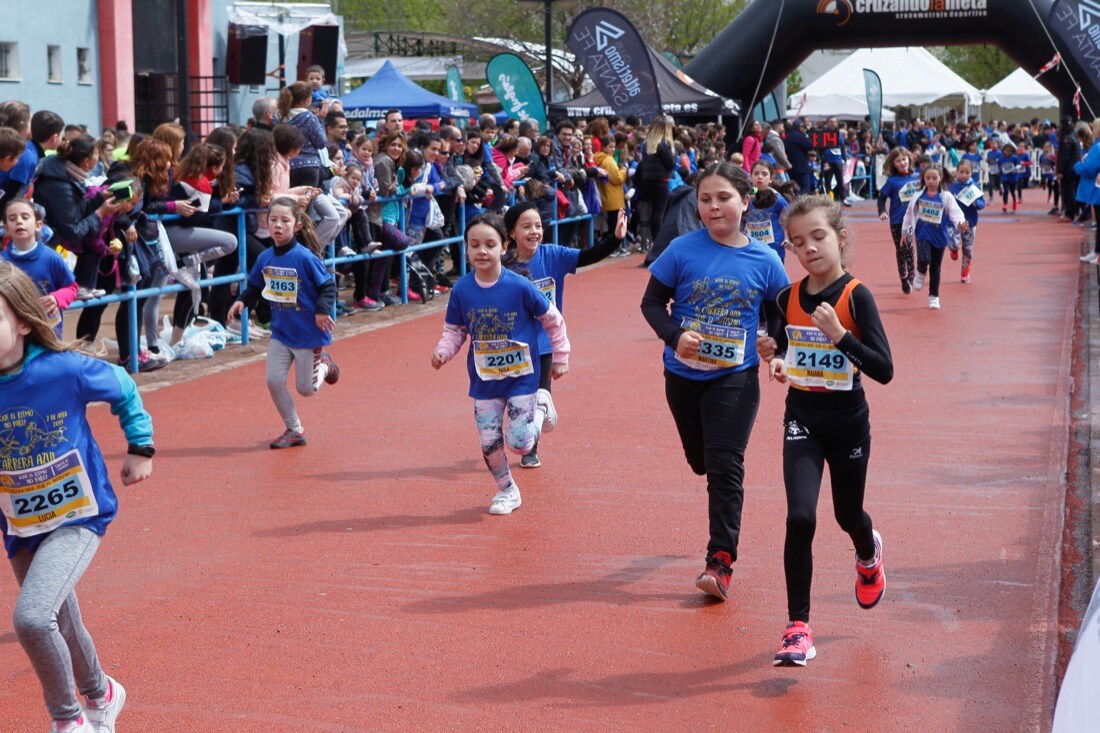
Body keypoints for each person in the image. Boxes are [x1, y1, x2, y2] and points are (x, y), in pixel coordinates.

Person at [0, 260, 154, 733]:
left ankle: (69, 722)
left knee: (30, 618)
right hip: (22, 525)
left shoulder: (62, 370)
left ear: (24, 321)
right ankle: (101, 694)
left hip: (77, 514)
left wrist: (140, 446)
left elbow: (124, 387)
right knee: (60, 621)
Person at [640, 162, 789, 601]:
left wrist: (773, 343)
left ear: (745, 202)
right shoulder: (682, 249)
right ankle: (707, 465)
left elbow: (781, 312)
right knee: (701, 461)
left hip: (736, 379)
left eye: (723, 198)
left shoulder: (765, 259)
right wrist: (675, 335)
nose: (713, 207)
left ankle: (720, 560)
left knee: (726, 467)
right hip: (683, 375)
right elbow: (651, 303)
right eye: (705, 199)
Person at [755, 195, 892, 667]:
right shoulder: (786, 297)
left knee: (847, 514)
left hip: (849, 423)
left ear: (839, 238)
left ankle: (867, 553)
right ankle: (797, 626)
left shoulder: (857, 296)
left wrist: (840, 335)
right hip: (803, 419)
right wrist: (773, 357)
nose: (808, 248)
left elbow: (884, 369)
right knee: (800, 517)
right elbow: (784, 347)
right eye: (797, 242)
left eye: (817, 237)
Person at [431, 213, 570, 515]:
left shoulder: (519, 286)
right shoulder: (462, 290)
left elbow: (552, 319)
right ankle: (508, 491)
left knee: (520, 443)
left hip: (522, 376)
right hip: (486, 380)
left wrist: (560, 356)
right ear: (466, 249)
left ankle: (542, 407)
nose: (481, 251)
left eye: (489, 244)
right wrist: (444, 351)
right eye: (474, 245)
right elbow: (455, 330)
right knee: (489, 442)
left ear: (503, 247)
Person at [501, 202, 627, 468]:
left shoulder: (553, 255)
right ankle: (535, 421)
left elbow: (588, 255)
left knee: (538, 397)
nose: (534, 232)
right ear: (512, 232)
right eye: (526, 227)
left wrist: (615, 239)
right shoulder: (505, 264)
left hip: (546, 343)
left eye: (538, 226)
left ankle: (530, 448)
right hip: (515, 345)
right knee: (519, 399)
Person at [227, 197, 340, 449]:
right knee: (273, 380)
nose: (278, 225)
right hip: (280, 333)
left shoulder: (305, 258)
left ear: (297, 225)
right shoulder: (265, 257)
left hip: (308, 334)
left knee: (307, 390)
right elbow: (255, 285)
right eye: (273, 220)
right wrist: (242, 302)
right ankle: (294, 429)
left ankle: (325, 366)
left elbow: (328, 286)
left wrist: (322, 311)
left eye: (284, 220)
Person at [0, 198, 77, 336]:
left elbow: (71, 288)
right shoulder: (2, 261)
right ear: (6, 228)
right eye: (12, 219)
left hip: (48, 332)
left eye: (25, 217)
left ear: (38, 225)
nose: (19, 221)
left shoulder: (52, 258)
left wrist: (56, 298)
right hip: (14, 334)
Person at [903, 164, 968, 310]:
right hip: (922, 233)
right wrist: (905, 231)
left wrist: (961, 224)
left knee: (936, 268)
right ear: (923, 179)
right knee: (924, 258)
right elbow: (909, 213)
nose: (931, 181)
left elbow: (955, 213)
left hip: (939, 236)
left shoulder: (946, 196)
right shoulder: (918, 195)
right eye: (927, 178)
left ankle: (934, 296)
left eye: (934, 178)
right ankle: (920, 272)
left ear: (940, 178)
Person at [876, 148, 921, 293]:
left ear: (909, 158)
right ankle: (904, 277)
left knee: (909, 246)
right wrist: (882, 211)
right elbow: (881, 198)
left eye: (904, 159)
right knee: (901, 249)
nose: (902, 163)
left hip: (914, 219)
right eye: (898, 161)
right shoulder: (892, 181)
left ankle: (912, 274)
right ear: (893, 164)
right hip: (897, 221)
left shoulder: (917, 177)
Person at [947, 159, 985, 282]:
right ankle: (953, 249)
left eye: (967, 172)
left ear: (971, 172)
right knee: (952, 241)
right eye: (961, 172)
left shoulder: (974, 186)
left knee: (968, 248)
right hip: (953, 222)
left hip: (970, 222)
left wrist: (976, 203)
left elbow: (981, 203)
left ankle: (965, 272)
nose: (964, 175)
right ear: (956, 172)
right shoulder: (951, 185)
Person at [745, 160, 789, 261]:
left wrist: (788, 237)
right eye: (756, 174)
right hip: (752, 248)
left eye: (764, 174)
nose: (760, 177)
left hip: (774, 249)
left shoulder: (777, 199)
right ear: (751, 177)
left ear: (771, 179)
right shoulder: (745, 199)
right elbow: (740, 222)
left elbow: (789, 219)